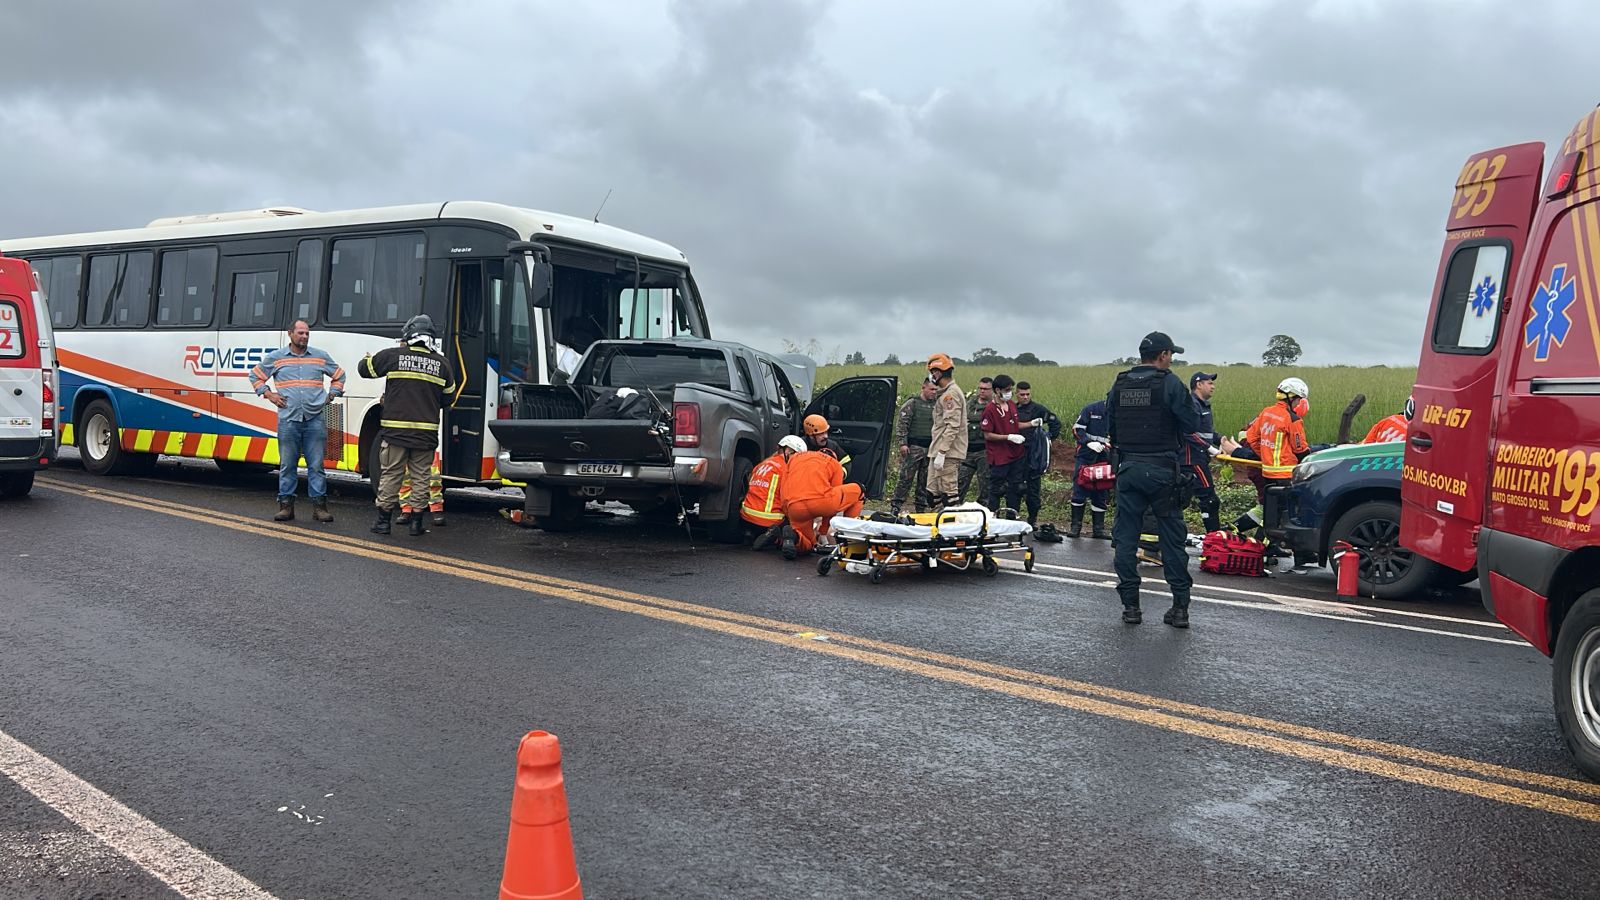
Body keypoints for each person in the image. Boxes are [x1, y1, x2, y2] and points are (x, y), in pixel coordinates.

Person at [1105, 331, 1201, 628]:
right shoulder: (1169, 382)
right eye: (1171, 355)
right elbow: (1190, 423)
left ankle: (1131, 608)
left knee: (1125, 538)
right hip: (1162, 471)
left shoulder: (1119, 384)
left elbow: (1112, 426)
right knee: (1171, 540)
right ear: (1162, 355)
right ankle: (1179, 609)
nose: (1171, 360)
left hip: (1129, 469)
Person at [359, 314, 458, 536]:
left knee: (392, 474)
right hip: (425, 435)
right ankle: (416, 524)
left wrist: (367, 358)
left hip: (396, 434)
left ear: (408, 335)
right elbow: (448, 398)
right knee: (421, 477)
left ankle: (383, 522)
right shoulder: (442, 364)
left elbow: (364, 369)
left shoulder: (393, 356)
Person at [249, 319, 345, 523]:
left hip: (315, 419)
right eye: (300, 333)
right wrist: (269, 395)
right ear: (290, 333)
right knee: (287, 465)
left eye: (307, 333)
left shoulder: (320, 356)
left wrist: (332, 394)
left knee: (316, 465)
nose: (304, 337)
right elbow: (255, 376)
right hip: (289, 420)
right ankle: (286, 507)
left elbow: (339, 376)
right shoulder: (276, 358)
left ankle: (320, 508)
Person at [779, 420, 865, 559]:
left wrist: (788, 511)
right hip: (820, 502)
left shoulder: (795, 458)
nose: (825, 436)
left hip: (795, 506)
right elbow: (833, 497)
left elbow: (784, 485)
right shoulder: (834, 464)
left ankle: (794, 537)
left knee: (809, 544)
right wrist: (824, 531)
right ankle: (849, 538)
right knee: (859, 490)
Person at [743, 435, 808, 549]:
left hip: (746, 518)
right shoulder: (787, 469)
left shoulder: (761, 464)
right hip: (770, 521)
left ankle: (751, 534)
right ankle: (777, 539)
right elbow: (788, 499)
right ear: (789, 451)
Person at [1014, 381, 1062, 527]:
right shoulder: (1012, 409)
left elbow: (1055, 422)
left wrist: (1047, 439)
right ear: (1017, 394)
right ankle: (1013, 518)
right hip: (1015, 453)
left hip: (1033, 454)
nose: (1025, 397)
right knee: (1014, 488)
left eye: (1028, 394)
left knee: (1033, 490)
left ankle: (1032, 519)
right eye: (1022, 394)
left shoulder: (1038, 409)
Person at [981, 374, 1030, 514]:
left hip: (1016, 455)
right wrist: (1008, 437)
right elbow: (987, 434)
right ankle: (993, 519)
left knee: (1016, 488)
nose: (1009, 393)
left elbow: (1015, 424)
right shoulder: (990, 410)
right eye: (1007, 390)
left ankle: (1012, 518)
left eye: (1010, 390)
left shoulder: (1012, 405)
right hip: (1000, 457)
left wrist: (1031, 424)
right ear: (997, 390)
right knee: (996, 489)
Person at [925, 353, 968, 510]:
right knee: (932, 494)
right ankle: (937, 521)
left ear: (938, 372)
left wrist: (943, 452)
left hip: (948, 453)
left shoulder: (951, 395)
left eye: (932, 372)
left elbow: (953, 426)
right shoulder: (943, 393)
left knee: (949, 495)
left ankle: (954, 528)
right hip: (936, 451)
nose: (931, 376)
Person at [890, 381, 939, 516]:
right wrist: (903, 443)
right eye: (931, 389)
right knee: (905, 479)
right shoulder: (912, 404)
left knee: (924, 481)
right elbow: (902, 424)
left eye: (936, 389)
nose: (934, 392)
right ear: (923, 388)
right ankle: (896, 506)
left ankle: (920, 508)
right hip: (914, 447)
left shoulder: (937, 405)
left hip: (930, 448)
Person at [1184, 371, 1224, 532]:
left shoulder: (1203, 405)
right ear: (1199, 385)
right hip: (1192, 459)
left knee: (1182, 499)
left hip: (1199, 458)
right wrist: (1209, 448)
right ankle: (1214, 539)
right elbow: (1186, 432)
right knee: (1209, 500)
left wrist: (1221, 440)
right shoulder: (1192, 405)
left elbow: (1206, 433)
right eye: (1209, 383)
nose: (1213, 386)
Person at [1070, 399, 1113, 539]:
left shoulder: (1121, 412)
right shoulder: (1091, 409)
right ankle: (1075, 527)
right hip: (1086, 455)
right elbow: (1077, 429)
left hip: (1106, 457)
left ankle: (1098, 529)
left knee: (1101, 490)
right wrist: (1089, 443)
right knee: (1080, 488)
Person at [959, 376, 994, 503]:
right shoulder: (970, 403)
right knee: (960, 483)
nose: (982, 391)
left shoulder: (994, 405)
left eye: (986, 389)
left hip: (984, 450)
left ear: (992, 390)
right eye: (980, 388)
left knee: (985, 485)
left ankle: (983, 511)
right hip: (967, 450)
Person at [397, 454, 445, 527]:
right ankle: (406, 509)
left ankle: (436, 509)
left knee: (434, 478)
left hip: (426, 446)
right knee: (406, 478)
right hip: (408, 445)